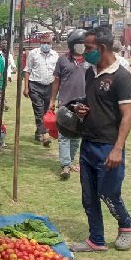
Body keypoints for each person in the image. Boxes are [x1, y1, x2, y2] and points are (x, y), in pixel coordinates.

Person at [71, 26, 131, 252]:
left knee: (108, 193)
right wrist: (81, 109)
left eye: (89, 48)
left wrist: (117, 148)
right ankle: (96, 239)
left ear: (103, 48)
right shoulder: (90, 72)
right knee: (88, 196)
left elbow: (127, 116)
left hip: (109, 145)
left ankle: (126, 225)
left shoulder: (121, 77)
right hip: (88, 142)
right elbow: (92, 103)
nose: (85, 52)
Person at [49, 29, 88, 179]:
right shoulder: (63, 60)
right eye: (79, 44)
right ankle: (65, 165)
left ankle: (71, 161)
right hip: (65, 103)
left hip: (83, 105)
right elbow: (56, 81)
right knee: (64, 135)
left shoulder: (90, 61)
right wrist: (52, 100)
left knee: (76, 135)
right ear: (72, 45)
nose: (82, 47)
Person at [23, 33, 59, 147]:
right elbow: (27, 70)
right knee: (38, 110)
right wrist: (26, 87)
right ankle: (44, 134)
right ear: (40, 43)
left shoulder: (55, 55)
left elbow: (57, 74)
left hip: (49, 86)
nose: (46, 45)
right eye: (44, 43)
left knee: (46, 111)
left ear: (51, 43)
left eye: (48, 43)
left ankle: (39, 132)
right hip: (35, 85)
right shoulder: (34, 53)